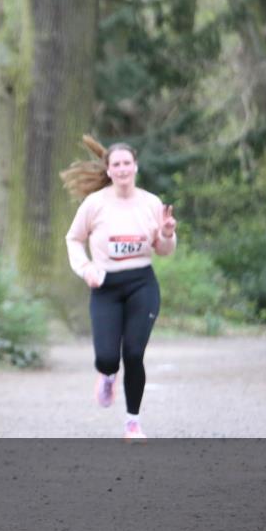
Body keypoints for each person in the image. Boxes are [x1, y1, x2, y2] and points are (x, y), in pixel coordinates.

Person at [61, 136, 177, 442]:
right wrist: (86, 269)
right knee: (108, 357)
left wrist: (166, 234)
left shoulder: (151, 203)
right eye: (117, 164)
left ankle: (132, 423)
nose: (123, 169)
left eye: (127, 163)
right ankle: (108, 375)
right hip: (106, 286)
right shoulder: (95, 204)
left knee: (135, 353)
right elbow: (73, 238)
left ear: (135, 167)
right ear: (109, 170)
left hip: (142, 282)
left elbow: (164, 250)